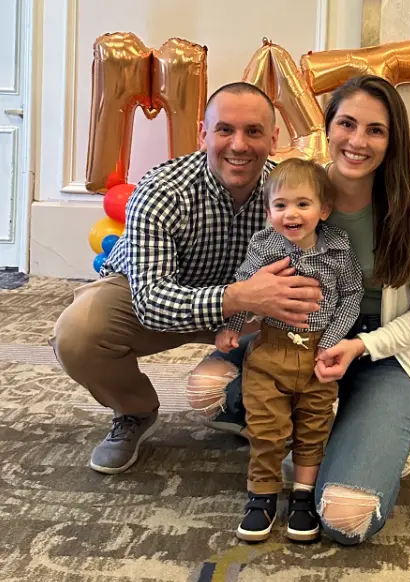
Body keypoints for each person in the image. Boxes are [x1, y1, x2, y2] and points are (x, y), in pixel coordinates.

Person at [188, 75, 410, 545]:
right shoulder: (293, 191)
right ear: (327, 127)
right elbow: (254, 269)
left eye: (376, 130)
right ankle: (303, 428)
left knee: (346, 517)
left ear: (393, 141)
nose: (357, 140)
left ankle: (371, 432)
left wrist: (358, 345)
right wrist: (242, 312)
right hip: (288, 337)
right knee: (206, 390)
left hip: (380, 346)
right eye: (347, 123)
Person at [50, 82, 323, 475]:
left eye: (254, 131)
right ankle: (134, 410)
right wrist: (238, 296)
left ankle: (253, 406)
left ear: (274, 138)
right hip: (154, 299)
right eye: (225, 130)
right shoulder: (163, 189)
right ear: (203, 134)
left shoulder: (290, 191)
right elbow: (150, 301)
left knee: (317, 316)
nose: (239, 145)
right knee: (78, 334)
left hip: (247, 313)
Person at [217, 158, 363, 542]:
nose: (291, 214)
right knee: (267, 428)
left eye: (302, 204)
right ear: (268, 212)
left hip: (319, 354)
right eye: (280, 205)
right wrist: (232, 326)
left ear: (324, 210)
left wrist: (331, 342)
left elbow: (351, 296)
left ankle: (302, 494)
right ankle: (262, 494)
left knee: (313, 426)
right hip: (269, 352)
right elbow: (245, 289)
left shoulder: (336, 249)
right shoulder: (265, 247)